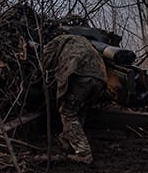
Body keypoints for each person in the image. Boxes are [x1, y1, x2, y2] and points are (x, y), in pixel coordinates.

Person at [42, 34, 108, 164]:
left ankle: (83, 153)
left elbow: (45, 61)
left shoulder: (56, 41)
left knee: (68, 112)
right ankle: (68, 142)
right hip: (100, 78)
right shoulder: (82, 40)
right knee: (80, 110)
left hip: (81, 76)